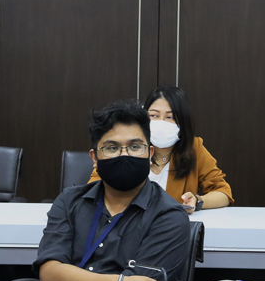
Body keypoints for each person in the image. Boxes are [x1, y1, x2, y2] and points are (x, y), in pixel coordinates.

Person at [35, 100, 190, 281]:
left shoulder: (169, 216)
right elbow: (49, 274)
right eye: (112, 148)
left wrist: (71, 277)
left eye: (135, 147)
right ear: (94, 158)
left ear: (150, 154)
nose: (124, 154)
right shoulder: (69, 201)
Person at [89, 86, 233, 213]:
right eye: (154, 115)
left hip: (171, 226)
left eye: (170, 117)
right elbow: (94, 189)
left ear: (183, 122)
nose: (161, 123)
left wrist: (197, 200)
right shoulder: (126, 147)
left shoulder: (194, 148)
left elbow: (223, 192)